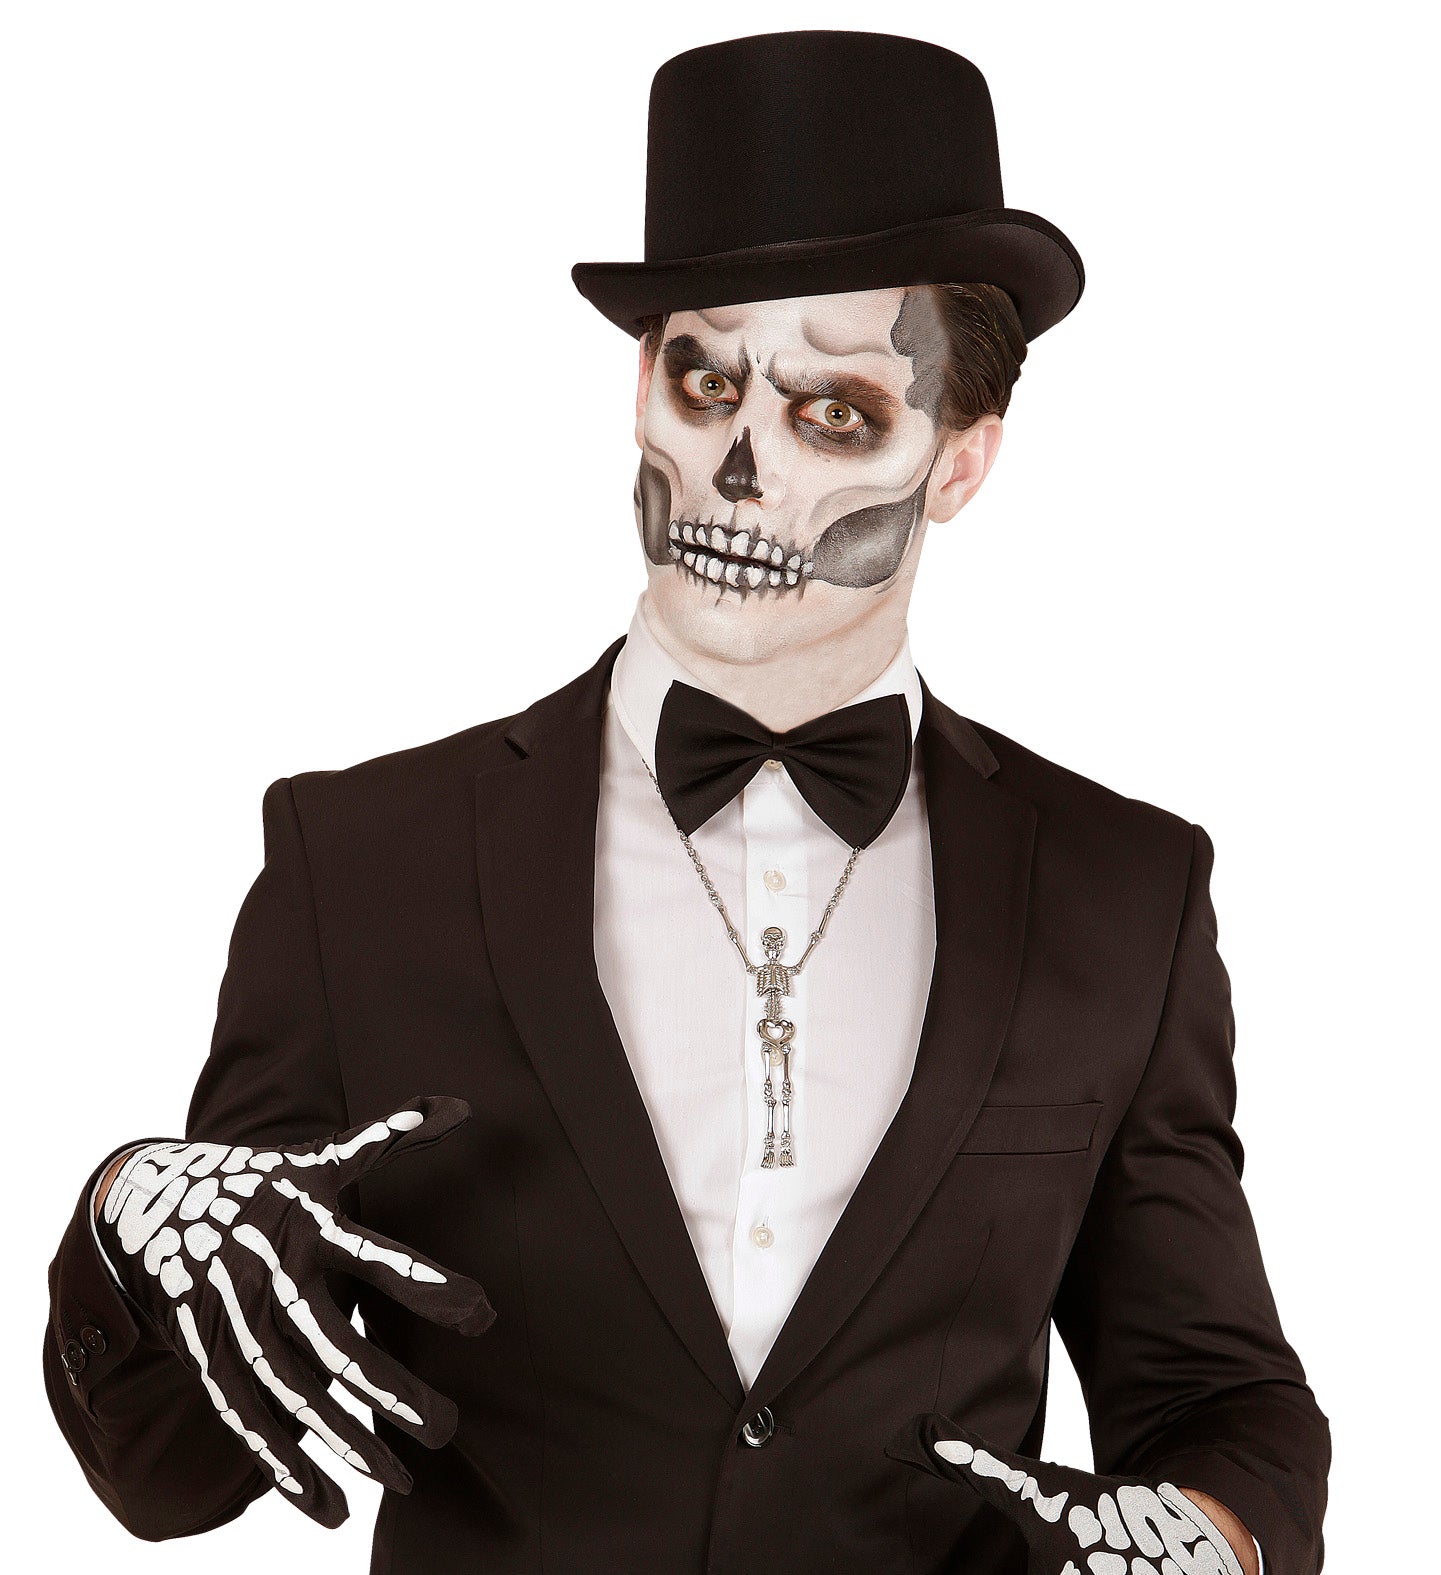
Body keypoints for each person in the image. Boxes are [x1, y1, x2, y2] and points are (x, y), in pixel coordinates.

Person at [43, 29, 1330, 1574]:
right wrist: (131, 1214)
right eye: (703, 380)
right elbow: (176, 1475)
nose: (735, 466)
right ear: (638, 390)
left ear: (960, 462)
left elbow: (1211, 1395)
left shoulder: (1121, 890)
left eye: (832, 414)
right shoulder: (363, 865)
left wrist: (1210, 1539)